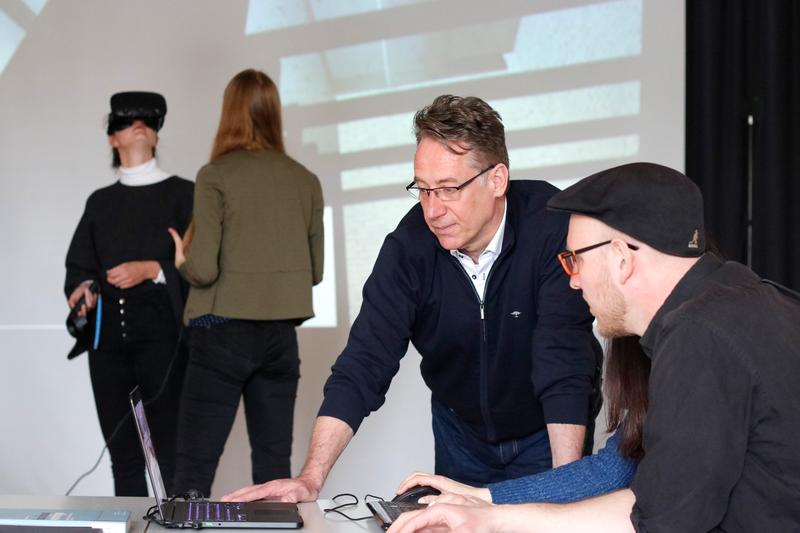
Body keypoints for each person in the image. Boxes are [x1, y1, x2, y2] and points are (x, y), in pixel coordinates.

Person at [224, 95, 601, 503]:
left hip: (546, 432)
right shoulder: (409, 248)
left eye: (448, 189)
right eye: (422, 190)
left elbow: (563, 358)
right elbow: (364, 361)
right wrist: (311, 478)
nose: (432, 210)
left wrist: (568, 487)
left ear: (497, 180)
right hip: (462, 435)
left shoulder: (551, 227)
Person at [388, 162, 800, 532]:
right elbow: (625, 476)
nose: (573, 281)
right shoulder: (746, 301)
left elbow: (661, 523)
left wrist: (489, 518)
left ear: (621, 258)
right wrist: (483, 502)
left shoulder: (700, 338)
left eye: (573, 260)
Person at [169, 69, 324, 497]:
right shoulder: (305, 180)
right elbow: (315, 271)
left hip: (220, 332)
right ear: (274, 113)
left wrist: (182, 259)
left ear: (229, 113)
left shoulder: (215, 175)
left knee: (194, 471)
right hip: (279, 339)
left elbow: (203, 270)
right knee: (275, 474)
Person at [64, 91, 193, 496]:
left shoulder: (185, 194)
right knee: (124, 456)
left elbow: (205, 270)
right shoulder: (99, 203)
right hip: (108, 351)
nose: (139, 125)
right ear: (111, 138)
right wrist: (82, 289)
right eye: (127, 120)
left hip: (166, 346)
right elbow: (79, 268)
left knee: (172, 455)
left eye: (149, 120)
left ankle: (176, 526)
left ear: (156, 134)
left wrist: (154, 270)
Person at [395, 336, 646, 505]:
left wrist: (479, 498)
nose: (574, 283)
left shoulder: (677, 373)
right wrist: (475, 495)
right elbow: (610, 472)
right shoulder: (653, 363)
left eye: (577, 262)